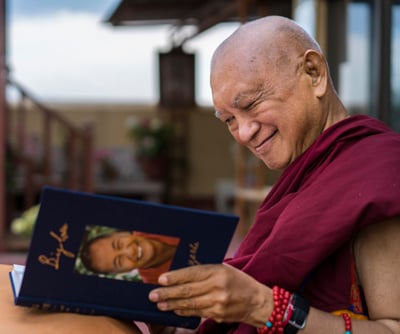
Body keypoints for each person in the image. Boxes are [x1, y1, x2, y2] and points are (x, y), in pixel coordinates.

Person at [143, 15, 400, 334]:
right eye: (229, 120)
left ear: (313, 73)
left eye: (250, 104)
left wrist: (263, 307)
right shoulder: (307, 176)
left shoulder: (378, 171)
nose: (243, 133)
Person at [80, 230, 179, 284]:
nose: (131, 251)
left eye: (118, 244)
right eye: (120, 261)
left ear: (121, 233)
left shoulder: (155, 218)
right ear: (123, 272)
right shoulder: (159, 285)